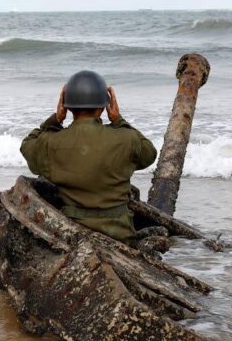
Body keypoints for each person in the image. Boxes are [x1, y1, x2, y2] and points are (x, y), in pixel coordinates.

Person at [20, 70, 157, 244]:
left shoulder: (50, 143)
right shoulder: (126, 139)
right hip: (120, 234)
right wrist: (118, 120)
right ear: (104, 106)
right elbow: (149, 153)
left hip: (73, 232)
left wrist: (56, 119)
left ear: (66, 106)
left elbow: (28, 144)